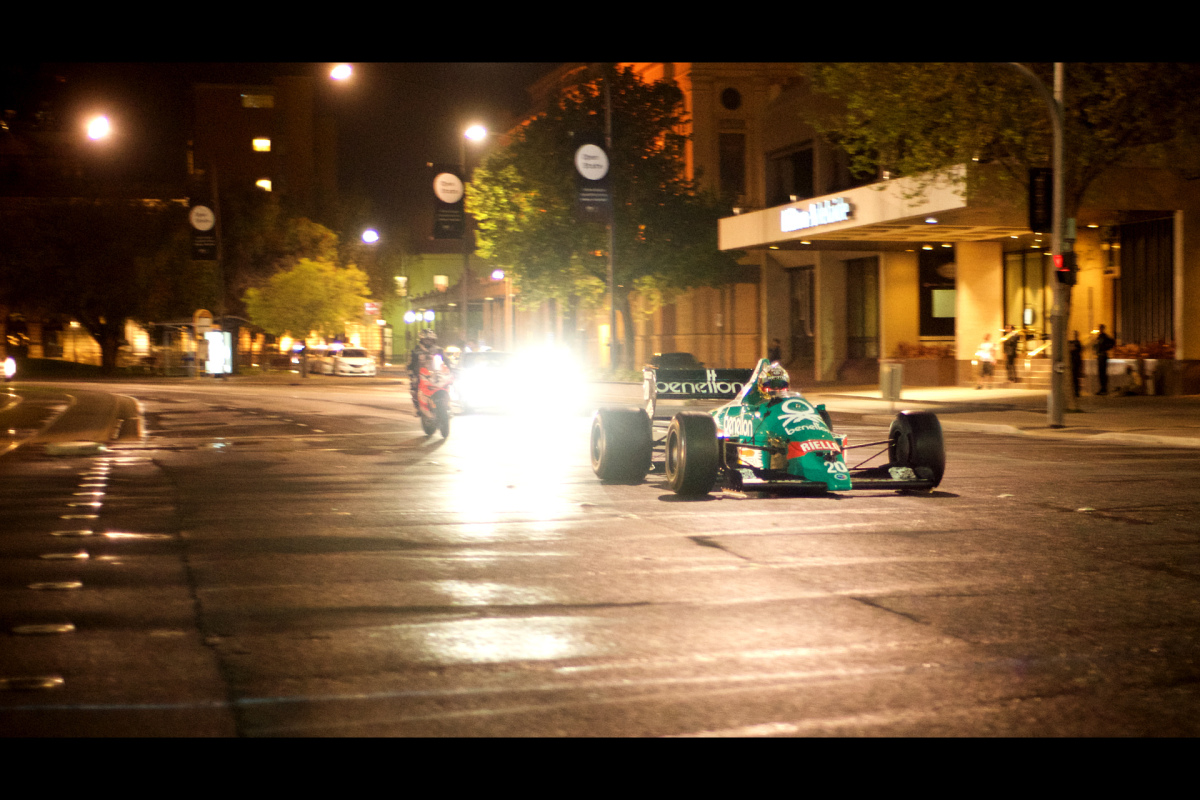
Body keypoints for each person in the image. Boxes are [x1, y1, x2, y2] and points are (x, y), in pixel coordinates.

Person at [1093, 324, 1115, 395]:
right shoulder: (1099, 337)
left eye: (1101, 328)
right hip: (1099, 356)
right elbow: (1096, 345)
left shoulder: (1105, 337)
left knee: (1103, 372)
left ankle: (1104, 388)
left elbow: (1112, 342)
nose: (1100, 329)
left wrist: (1106, 348)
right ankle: (1102, 388)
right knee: (1100, 373)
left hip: (1103, 356)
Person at [1069, 330, 1084, 398]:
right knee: (1072, 377)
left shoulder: (1078, 343)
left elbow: (1079, 350)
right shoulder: (1071, 342)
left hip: (1076, 361)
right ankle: (1074, 391)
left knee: (1075, 377)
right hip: (1072, 361)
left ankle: (1077, 391)